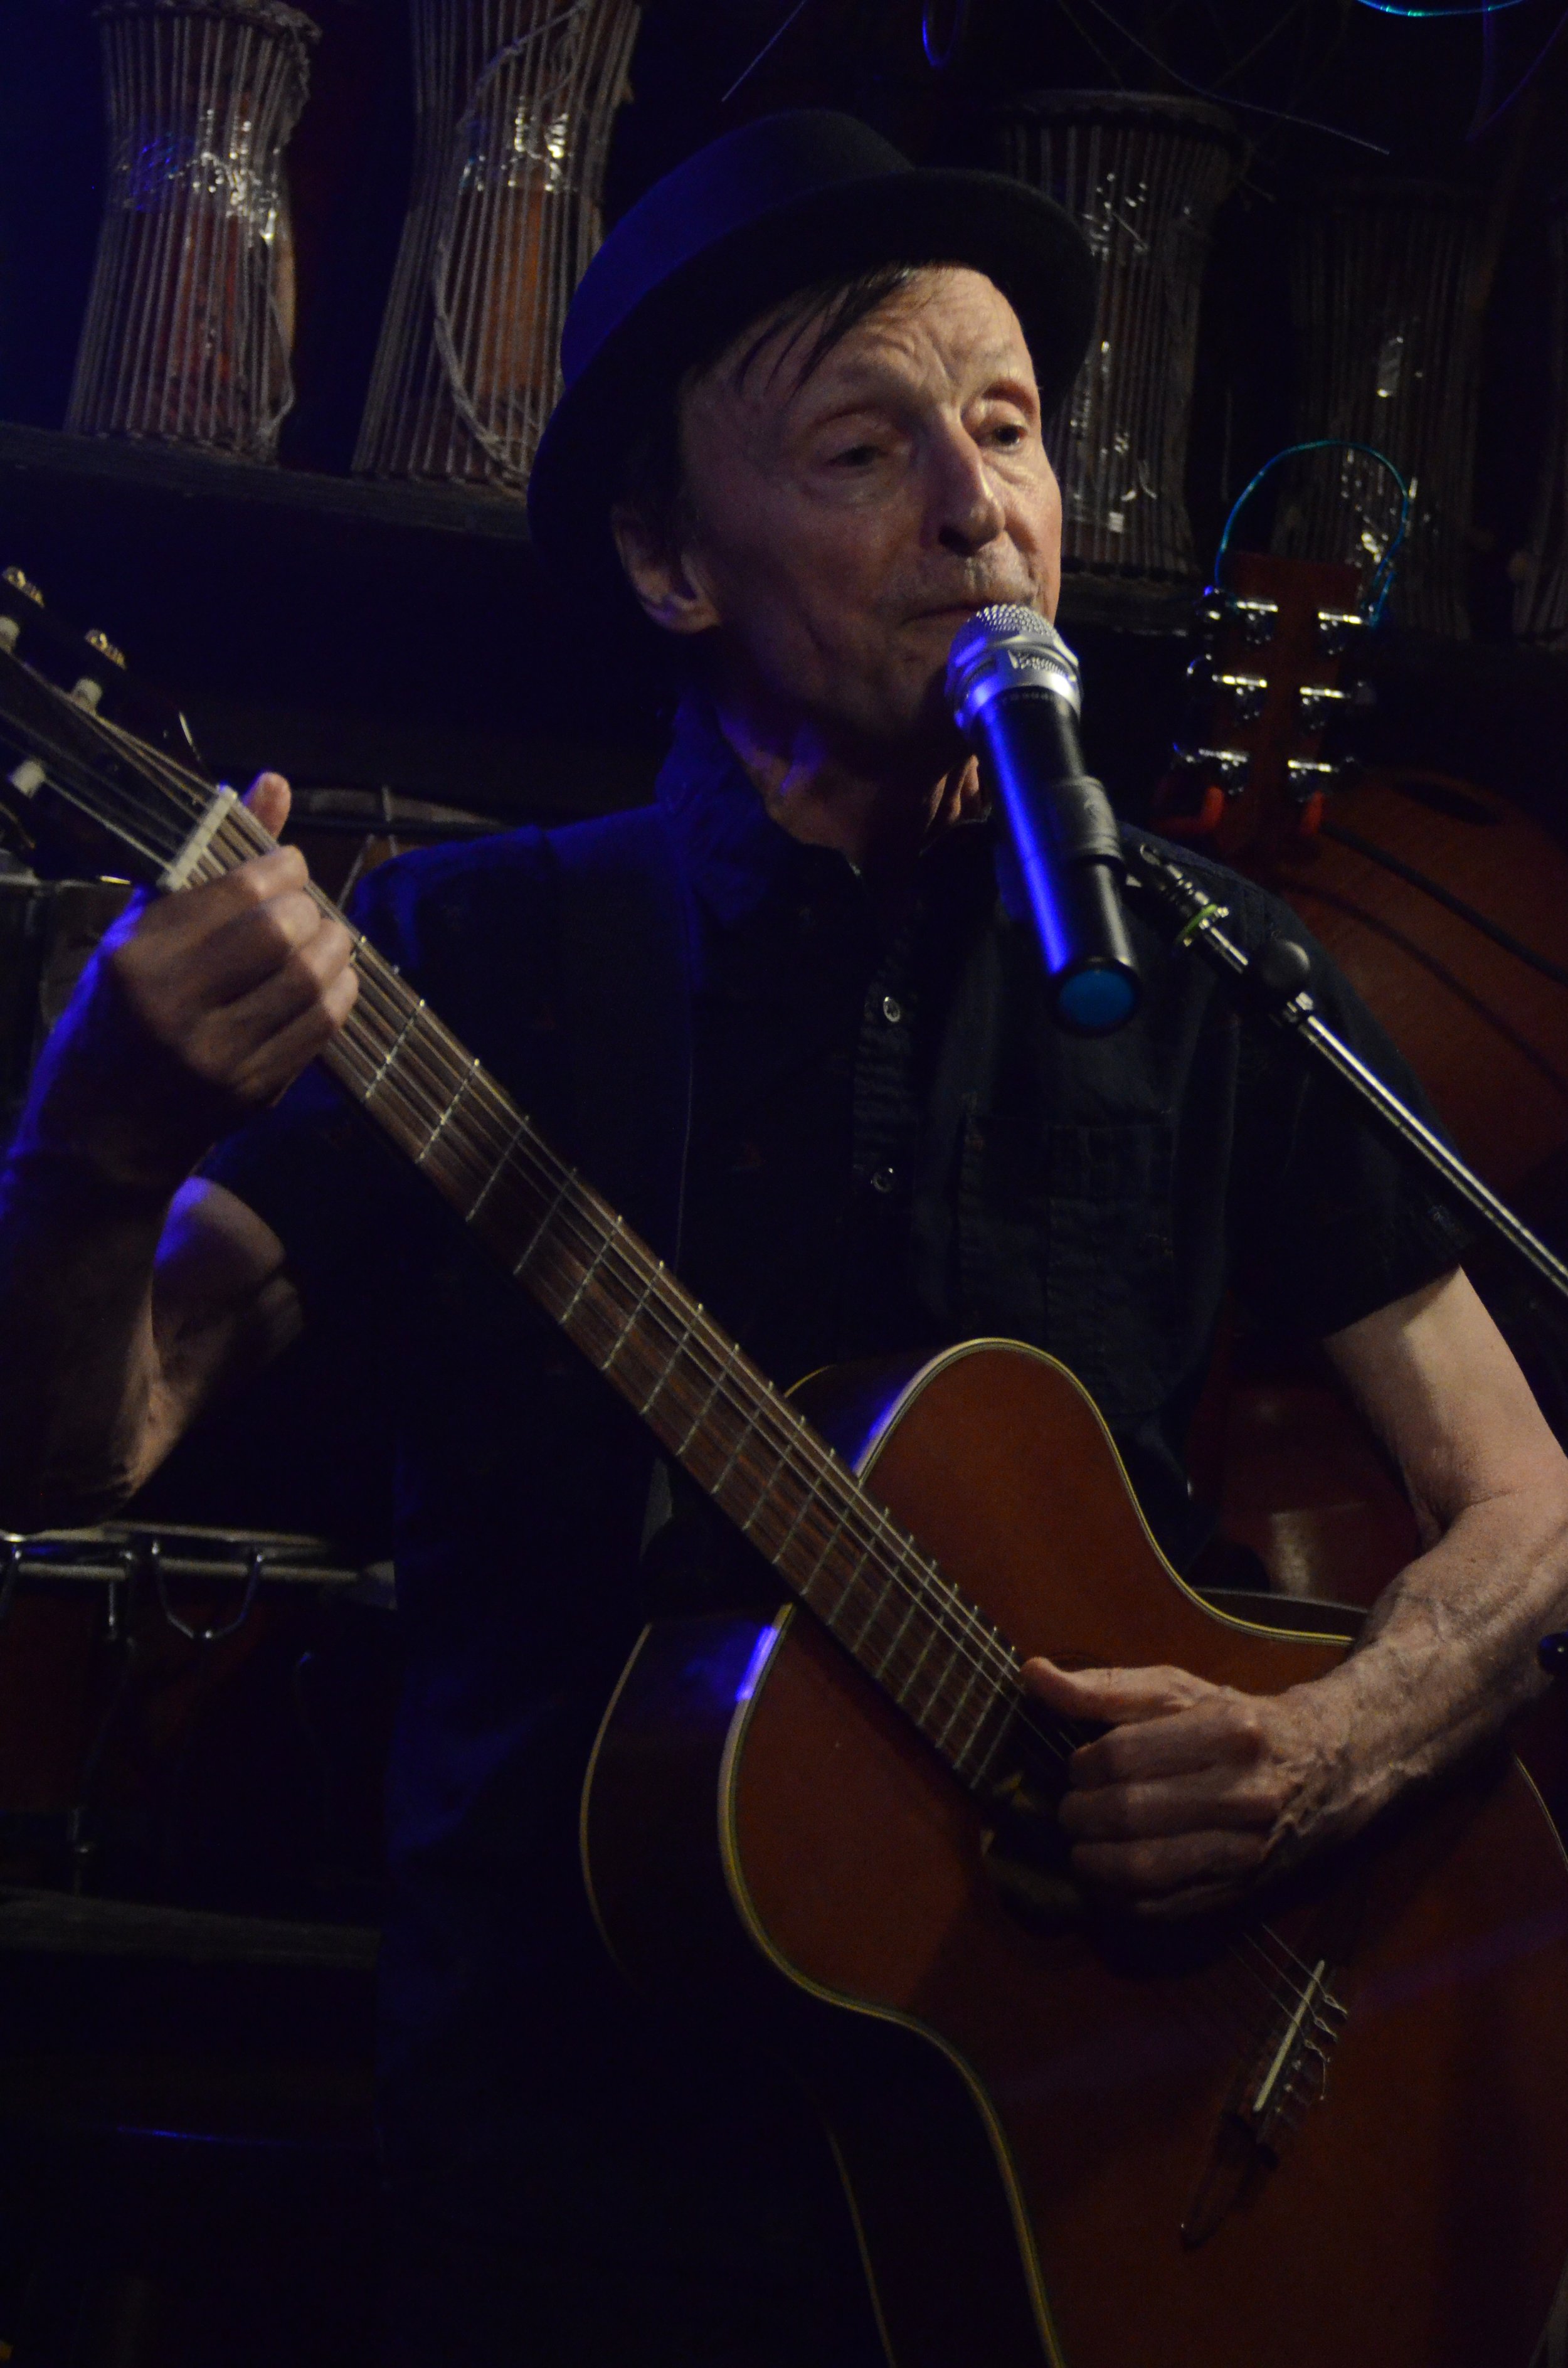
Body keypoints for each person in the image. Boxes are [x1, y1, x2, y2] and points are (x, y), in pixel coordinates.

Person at [1, 109, 1565, 2364]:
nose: (976, 507)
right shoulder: (476, 958)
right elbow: (83, 1446)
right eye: (861, 448)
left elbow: (1526, 1511)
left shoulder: (1210, 968)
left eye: (1006, 428)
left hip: (1081, 2172)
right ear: (669, 565)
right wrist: (92, 1149)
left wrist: (1321, 1756)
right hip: (575, 2214)